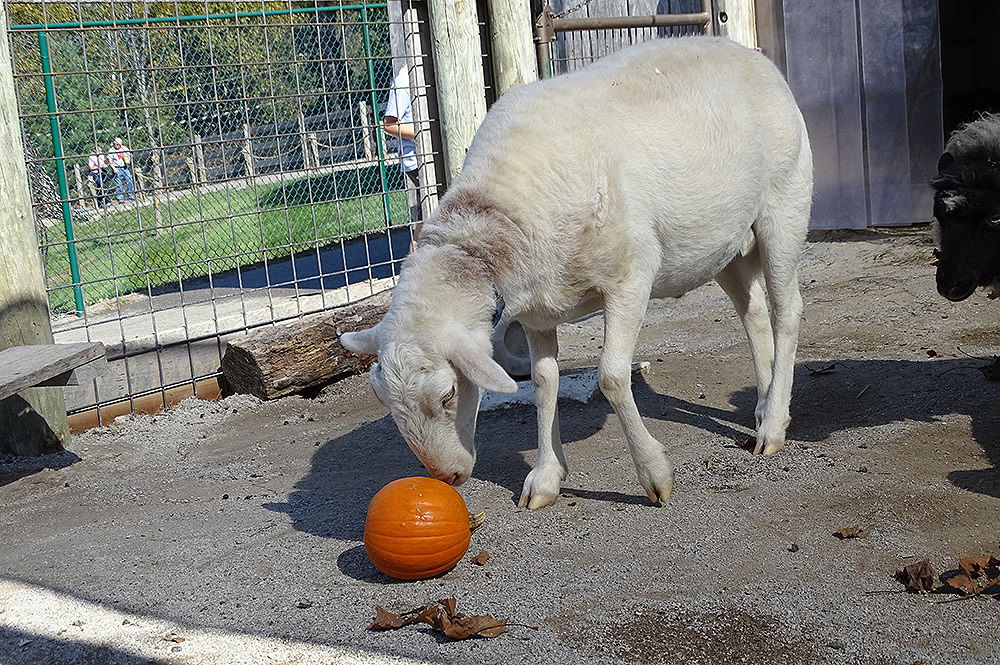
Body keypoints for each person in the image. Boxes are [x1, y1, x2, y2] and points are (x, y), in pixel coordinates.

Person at [383, 66, 421, 245]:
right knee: (427, 220)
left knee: (428, 218)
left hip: (429, 156)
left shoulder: (421, 73)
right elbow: (389, 125)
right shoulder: (403, 80)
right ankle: (413, 268)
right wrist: (421, 134)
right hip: (416, 160)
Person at [108, 136, 135, 202]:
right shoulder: (111, 150)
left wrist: (128, 160)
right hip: (116, 167)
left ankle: (130, 195)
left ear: (120, 144)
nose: (116, 145)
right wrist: (113, 168)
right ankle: (120, 198)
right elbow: (109, 160)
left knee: (130, 179)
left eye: (117, 144)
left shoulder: (124, 148)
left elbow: (129, 155)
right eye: (115, 144)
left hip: (124, 167)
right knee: (118, 183)